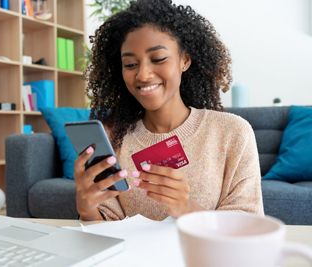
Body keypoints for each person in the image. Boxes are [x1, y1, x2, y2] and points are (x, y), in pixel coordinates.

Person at [75, 0, 263, 221]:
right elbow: (107, 229)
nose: (143, 75)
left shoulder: (233, 132)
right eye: (130, 64)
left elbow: (249, 223)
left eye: (158, 59)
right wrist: (87, 209)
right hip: (134, 255)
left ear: (184, 60)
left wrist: (186, 208)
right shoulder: (113, 138)